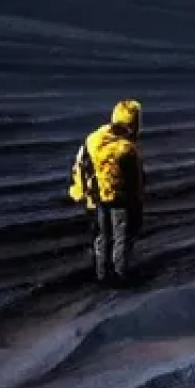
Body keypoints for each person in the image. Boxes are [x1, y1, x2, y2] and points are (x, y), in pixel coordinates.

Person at [69, 99, 145, 283]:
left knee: (102, 237)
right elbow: (137, 180)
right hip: (122, 200)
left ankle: (101, 274)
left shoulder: (94, 139)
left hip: (97, 199)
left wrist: (80, 193)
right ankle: (121, 274)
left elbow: (81, 166)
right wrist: (138, 201)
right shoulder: (127, 148)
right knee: (122, 238)